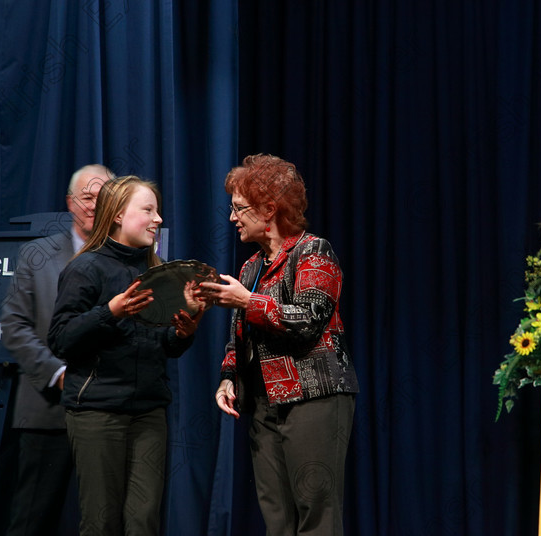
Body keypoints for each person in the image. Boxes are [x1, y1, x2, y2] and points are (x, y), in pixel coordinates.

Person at [199, 154, 359, 535]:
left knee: (315, 511)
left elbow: (308, 320)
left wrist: (247, 302)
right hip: (263, 403)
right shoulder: (250, 268)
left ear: (269, 209)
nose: (232, 217)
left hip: (313, 397)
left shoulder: (313, 251)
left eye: (240, 208)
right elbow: (239, 336)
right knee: (276, 515)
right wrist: (228, 377)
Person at [48, 175, 205, 536]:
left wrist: (183, 332)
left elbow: (160, 343)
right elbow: (60, 340)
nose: (158, 219)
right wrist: (111, 312)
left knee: (143, 522)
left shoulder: (155, 271)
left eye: (158, 211)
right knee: (101, 523)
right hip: (97, 413)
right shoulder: (86, 268)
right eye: (148, 210)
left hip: (148, 413)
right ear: (118, 215)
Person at [1, 163, 114, 535]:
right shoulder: (36, 255)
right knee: (32, 520)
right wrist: (57, 373)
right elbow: (14, 327)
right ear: (70, 203)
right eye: (87, 198)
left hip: (112, 413)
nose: (95, 206)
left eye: (104, 198)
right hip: (47, 411)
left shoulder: (130, 259)